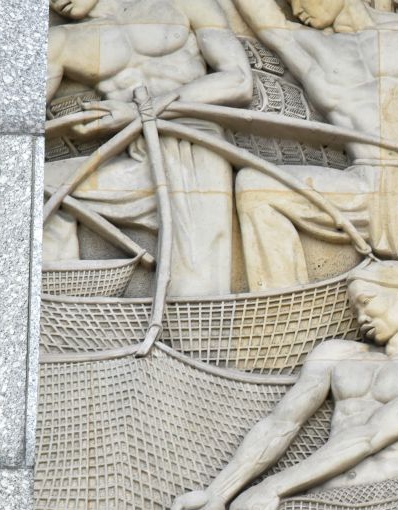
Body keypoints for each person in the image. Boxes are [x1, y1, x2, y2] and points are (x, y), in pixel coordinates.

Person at [170, 260, 398, 510]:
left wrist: (272, 487)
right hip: (314, 505)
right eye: (354, 309)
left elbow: (369, 436)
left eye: (367, 301)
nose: (360, 316)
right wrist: (218, 494)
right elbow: (281, 424)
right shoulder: (336, 355)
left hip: (382, 507)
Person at [230, 0, 398, 290]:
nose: (297, 9)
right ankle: (280, 313)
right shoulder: (311, 46)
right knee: (254, 188)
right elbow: (266, 19)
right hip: (365, 184)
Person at [45, 0, 253, 295]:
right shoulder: (60, 42)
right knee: (40, 186)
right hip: (132, 155)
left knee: (194, 291)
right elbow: (13, 124)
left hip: (193, 142)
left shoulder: (184, 4)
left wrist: (141, 112)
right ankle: (64, 308)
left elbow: (239, 81)